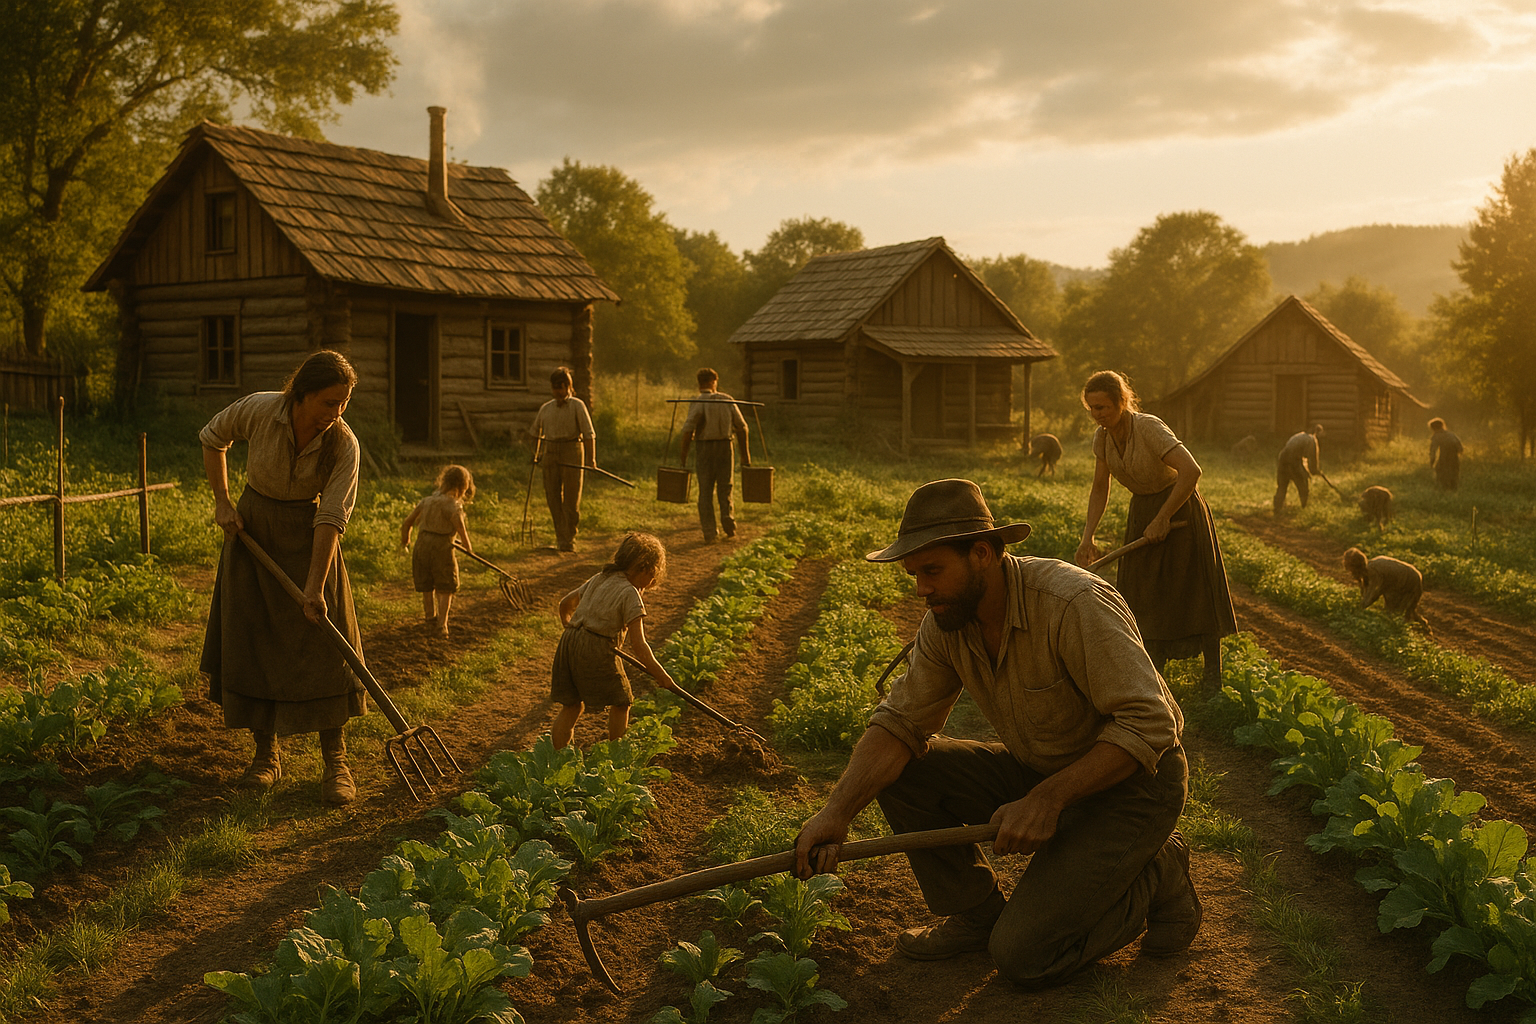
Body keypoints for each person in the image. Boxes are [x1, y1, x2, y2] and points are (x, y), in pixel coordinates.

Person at [793, 479, 1197, 988]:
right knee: (904, 770)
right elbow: (900, 723)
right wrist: (835, 813)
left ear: (981, 553)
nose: (920, 590)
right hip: (1042, 770)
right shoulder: (948, 622)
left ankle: (1159, 867)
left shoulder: (1072, 603)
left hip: (1134, 786)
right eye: (914, 574)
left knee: (1024, 955)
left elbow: (1151, 723)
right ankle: (976, 914)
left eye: (932, 571)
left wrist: (1047, 799)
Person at [199, 350, 365, 806]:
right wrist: (223, 502)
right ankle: (265, 756)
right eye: (329, 402)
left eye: (344, 403)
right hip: (253, 532)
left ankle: (336, 761)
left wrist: (314, 586)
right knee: (256, 641)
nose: (337, 413)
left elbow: (331, 516)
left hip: (311, 537)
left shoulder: (343, 444)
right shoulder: (259, 409)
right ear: (301, 394)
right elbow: (212, 437)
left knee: (328, 646)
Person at [1073, 371, 1236, 692]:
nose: (1097, 415)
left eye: (1103, 407)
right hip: (1143, 511)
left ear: (1122, 402)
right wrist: (1087, 536)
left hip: (1180, 508)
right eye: (1092, 408)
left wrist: (1163, 517)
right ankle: (1153, 671)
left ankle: (1212, 678)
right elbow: (1099, 487)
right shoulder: (1102, 439)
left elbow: (1191, 471)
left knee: (1191, 588)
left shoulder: (1148, 427)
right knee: (1143, 589)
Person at [551, 532, 681, 749]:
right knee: (622, 702)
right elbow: (639, 645)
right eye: (652, 576)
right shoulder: (629, 593)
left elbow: (565, 604)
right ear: (645, 569)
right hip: (596, 648)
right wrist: (662, 675)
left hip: (568, 641)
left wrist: (570, 627)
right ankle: (616, 756)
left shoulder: (600, 578)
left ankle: (557, 758)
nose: (650, 583)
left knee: (572, 705)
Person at [401, 464, 475, 640]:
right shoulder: (453, 506)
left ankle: (429, 618)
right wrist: (468, 548)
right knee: (445, 586)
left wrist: (406, 541)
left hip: (422, 545)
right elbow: (461, 528)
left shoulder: (427, 501)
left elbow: (407, 523)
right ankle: (442, 625)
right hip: (442, 549)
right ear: (463, 487)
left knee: (427, 584)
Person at [679, 368, 751, 543]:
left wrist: (683, 457)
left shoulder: (697, 402)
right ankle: (729, 524)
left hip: (704, 448)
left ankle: (710, 533)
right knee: (726, 487)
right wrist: (745, 455)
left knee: (705, 490)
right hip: (725, 447)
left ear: (699, 384)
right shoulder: (727, 400)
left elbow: (688, 430)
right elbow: (742, 427)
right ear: (714, 382)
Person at [527, 366, 595, 552]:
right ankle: (561, 538)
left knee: (571, 499)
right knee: (552, 497)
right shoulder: (546, 408)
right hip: (550, 453)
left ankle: (569, 538)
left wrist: (591, 460)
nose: (557, 391)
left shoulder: (577, 406)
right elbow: (535, 433)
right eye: (554, 387)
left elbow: (589, 434)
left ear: (568, 387)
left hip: (572, 450)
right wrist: (536, 454)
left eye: (561, 387)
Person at [1343, 547, 1432, 633]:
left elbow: (1373, 594)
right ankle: (1423, 625)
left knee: (1398, 614)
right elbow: (1366, 591)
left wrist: (1359, 609)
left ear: (1356, 566)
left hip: (1410, 581)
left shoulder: (1373, 571)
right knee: (1397, 611)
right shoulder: (1369, 569)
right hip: (1398, 583)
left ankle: (1420, 629)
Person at [1273, 423, 1324, 513]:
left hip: (1282, 459)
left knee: (1282, 485)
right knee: (1303, 484)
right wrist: (1315, 471)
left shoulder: (1298, 435)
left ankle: (1277, 508)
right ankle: (1304, 508)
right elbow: (1313, 460)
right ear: (1316, 432)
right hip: (1293, 461)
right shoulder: (1312, 440)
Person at [1429, 417, 1463, 491]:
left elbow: (1433, 450)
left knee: (1441, 476)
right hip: (1454, 459)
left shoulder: (1436, 436)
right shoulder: (1452, 435)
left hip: (1444, 459)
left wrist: (1432, 462)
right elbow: (1460, 448)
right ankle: (1454, 492)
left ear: (1433, 428)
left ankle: (1442, 492)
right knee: (1454, 476)